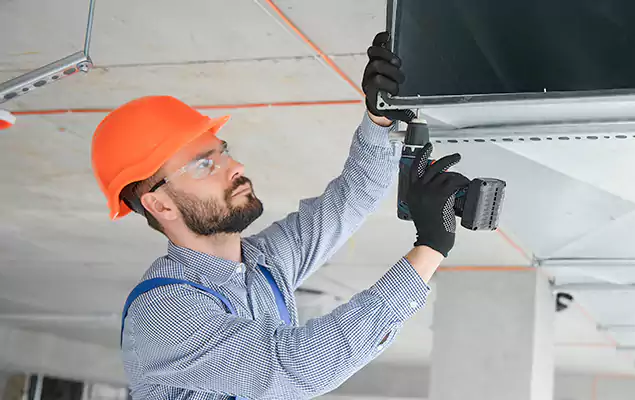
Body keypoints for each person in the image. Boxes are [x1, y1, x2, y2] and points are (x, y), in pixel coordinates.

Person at [90, 32, 470, 399]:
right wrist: (430, 248)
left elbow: (348, 202)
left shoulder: (263, 263)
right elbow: (296, 368)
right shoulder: (163, 312)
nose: (235, 165)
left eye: (223, 151)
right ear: (161, 205)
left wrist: (379, 117)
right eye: (205, 165)